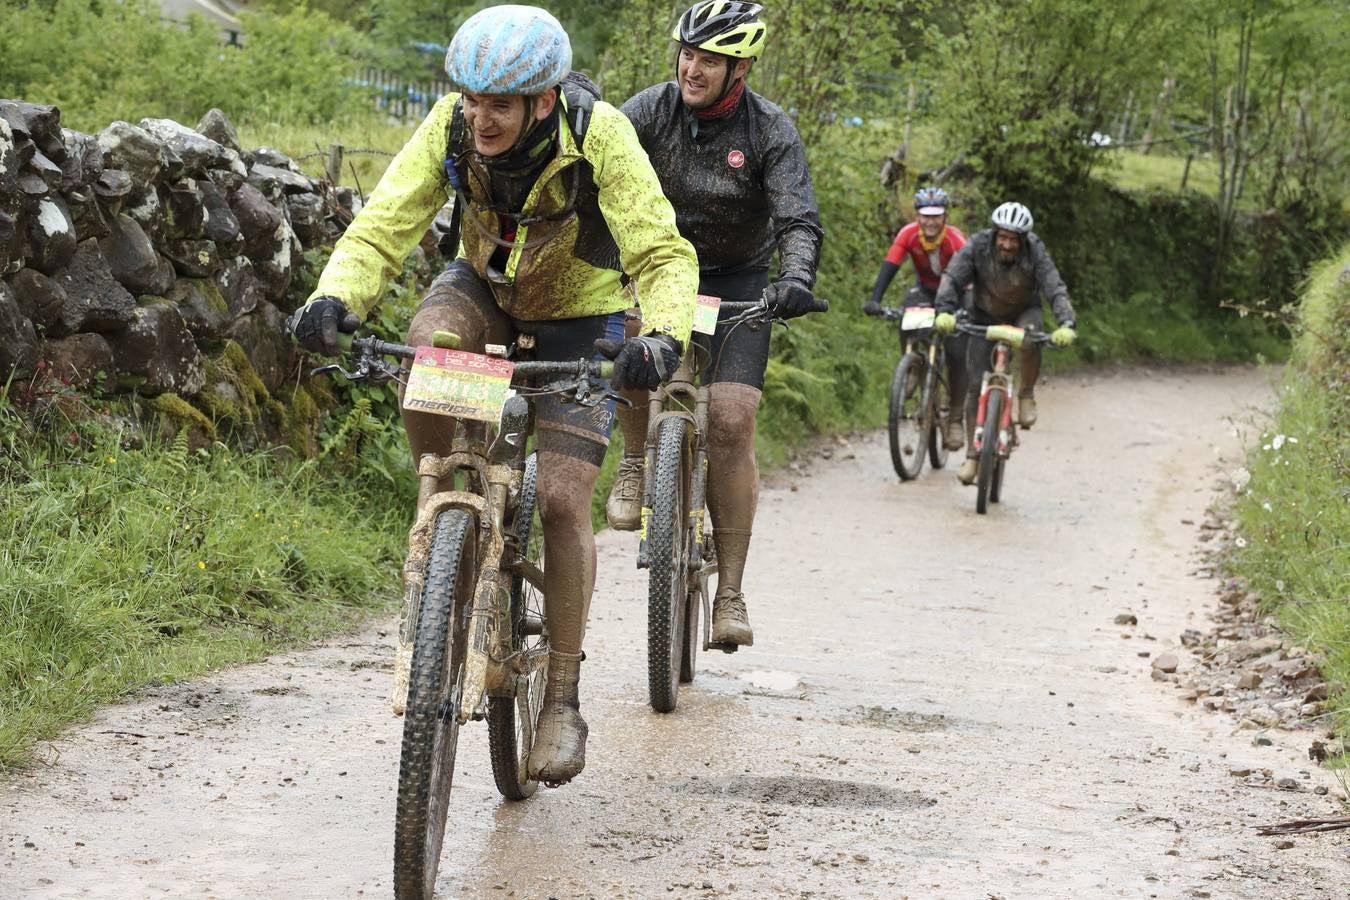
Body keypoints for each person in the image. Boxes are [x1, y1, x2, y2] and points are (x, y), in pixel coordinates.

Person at [289, 5, 698, 784]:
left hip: (584, 316)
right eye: (471, 99)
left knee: (565, 502)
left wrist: (663, 337)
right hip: (484, 289)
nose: (479, 117)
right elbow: (384, 221)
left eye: (498, 104)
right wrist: (334, 297)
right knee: (428, 346)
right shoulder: (449, 125)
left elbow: (660, 245)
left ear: (542, 100)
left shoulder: (600, 133)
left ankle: (564, 701)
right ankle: (447, 517)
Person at [607, 0, 824, 649]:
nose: (692, 68)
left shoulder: (769, 130)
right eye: (687, 53)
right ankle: (636, 458)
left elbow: (797, 218)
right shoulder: (647, 111)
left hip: (738, 282)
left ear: (742, 67)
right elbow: (593, 178)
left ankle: (729, 592)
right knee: (627, 342)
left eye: (710, 59)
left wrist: (796, 278)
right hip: (654, 268)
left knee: (731, 421)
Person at [933, 201, 1077, 485]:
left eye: (1013, 240)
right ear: (995, 234)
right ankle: (974, 457)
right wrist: (944, 311)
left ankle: (1025, 394)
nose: (1007, 245)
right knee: (975, 386)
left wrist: (1067, 322)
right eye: (1003, 237)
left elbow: (1054, 286)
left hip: (1024, 311)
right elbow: (952, 277)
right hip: (983, 313)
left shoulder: (1035, 251)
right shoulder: (977, 245)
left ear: (1022, 241)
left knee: (1032, 339)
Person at [864, 186, 969, 450]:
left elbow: (969, 280)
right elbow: (890, 266)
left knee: (957, 354)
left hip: (955, 295)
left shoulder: (955, 239)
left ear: (946, 217)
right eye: (925, 215)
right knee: (906, 315)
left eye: (936, 215)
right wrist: (875, 299)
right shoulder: (908, 234)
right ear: (917, 216)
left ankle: (955, 418)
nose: (930, 221)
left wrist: (965, 310)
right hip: (925, 291)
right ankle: (912, 368)